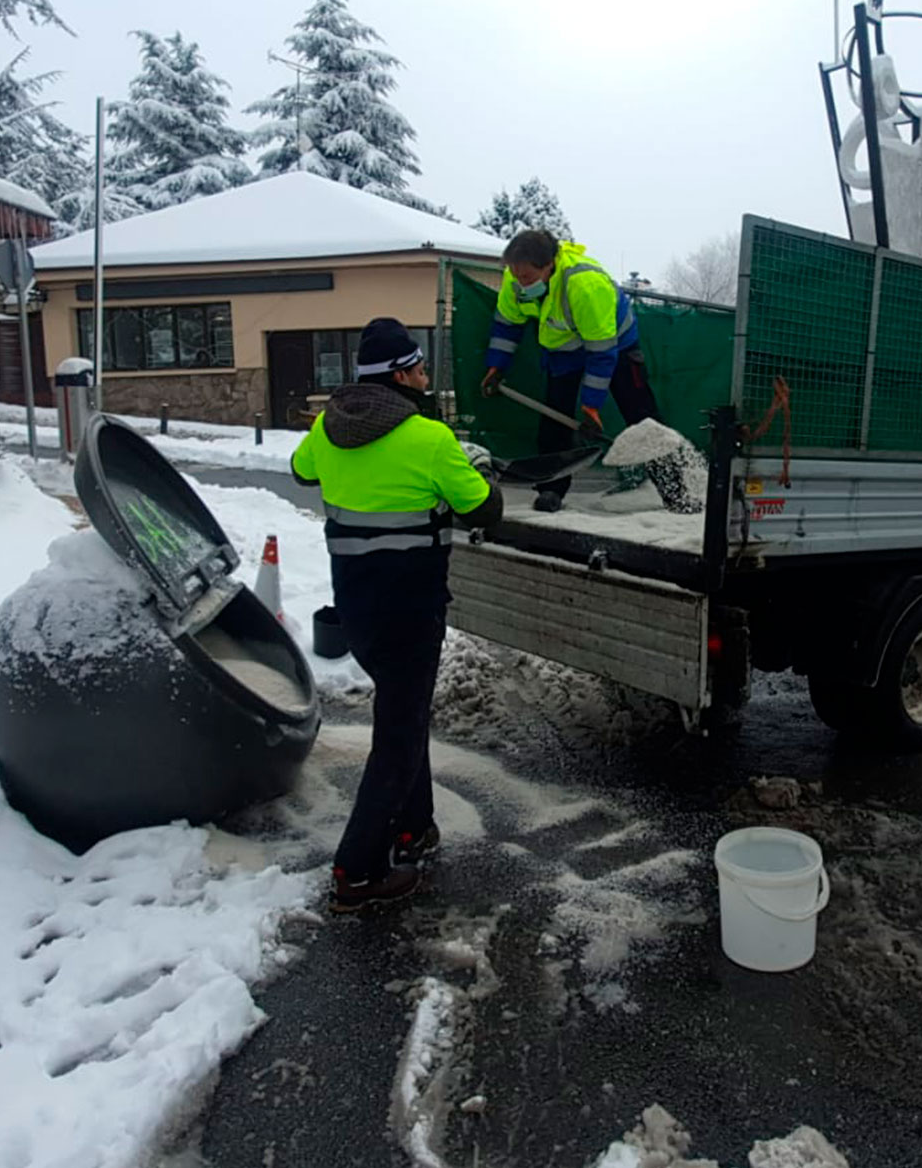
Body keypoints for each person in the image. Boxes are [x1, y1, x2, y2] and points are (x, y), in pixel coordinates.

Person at [291, 317, 502, 913]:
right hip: (411, 613)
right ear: (404, 373)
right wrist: (477, 469)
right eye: (422, 367)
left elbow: (302, 471)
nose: (427, 376)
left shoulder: (328, 428)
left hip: (357, 611)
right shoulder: (429, 438)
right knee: (399, 737)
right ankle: (356, 872)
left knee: (402, 715)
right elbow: (486, 511)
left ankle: (416, 826)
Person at [482, 228, 688, 512]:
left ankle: (677, 493)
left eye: (527, 277)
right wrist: (496, 366)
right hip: (564, 349)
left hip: (615, 345)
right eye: (515, 276)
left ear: (549, 265)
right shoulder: (516, 278)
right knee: (554, 417)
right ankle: (551, 490)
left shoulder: (585, 285)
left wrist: (591, 406)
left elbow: (602, 353)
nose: (519, 283)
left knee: (643, 418)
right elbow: (507, 324)